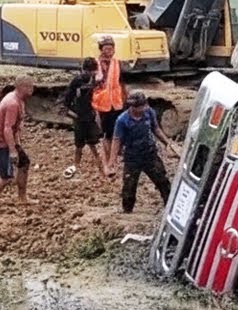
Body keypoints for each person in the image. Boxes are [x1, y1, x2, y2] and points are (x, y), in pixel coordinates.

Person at [110, 90, 179, 213]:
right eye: (136, 107)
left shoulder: (149, 113)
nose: (140, 109)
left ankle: (170, 207)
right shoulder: (122, 120)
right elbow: (116, 140)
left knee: (162, 181)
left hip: (149, 154)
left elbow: (155, 129)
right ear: (132, 106)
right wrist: (112, 161)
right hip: (132, 157)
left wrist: (167, 143)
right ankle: (127, 211)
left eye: (142, 106)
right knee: (129, 187)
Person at [0, 76, 35, 211]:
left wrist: (17, 144)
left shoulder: (18, 100)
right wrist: (12, 151)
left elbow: (14, 127)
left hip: (9, 139)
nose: (32, 89)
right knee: (5, 177)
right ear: (21, 87)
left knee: (24, 163)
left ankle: (22, 198)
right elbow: (7, 128)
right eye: (29, 86)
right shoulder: (12, 103)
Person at [60, 56, 110, 177]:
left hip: (89, 117)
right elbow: (65, 104)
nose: (91, 74)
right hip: (80, 119)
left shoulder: (93, 80)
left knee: (93, 145)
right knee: (79, 147)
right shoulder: (76, 81)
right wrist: (75, 116)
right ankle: (76, 168)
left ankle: (102, 171)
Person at [91, 37, 125, 176]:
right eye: (106, 49)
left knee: (116, 133)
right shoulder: (95, 64)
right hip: (103, 103)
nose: (109, 52)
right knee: (107, 134)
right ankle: (108, 162)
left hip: (116, 103)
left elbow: (121, 83)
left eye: (111, 49)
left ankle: (113, 160)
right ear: (101, 50)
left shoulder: (117, 63)